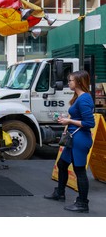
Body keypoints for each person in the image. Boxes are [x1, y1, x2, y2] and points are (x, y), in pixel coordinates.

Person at [44, 70, 95, 213]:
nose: (68, 83)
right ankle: (60, 192)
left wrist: (69, 120)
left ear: (78, 82)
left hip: (80, 139)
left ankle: (83, 203)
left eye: (71, 80)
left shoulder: (84, 98)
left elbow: (89, 123)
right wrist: (66, 121)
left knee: (79, 171)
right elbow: (78, 116)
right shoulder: (80, 97)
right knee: (62, 164)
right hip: (74, 138)